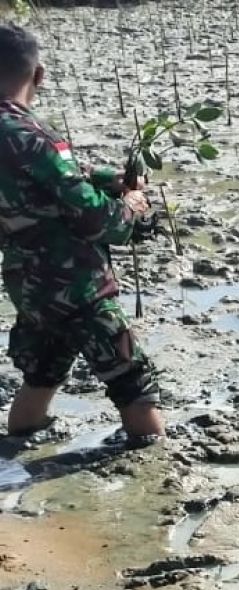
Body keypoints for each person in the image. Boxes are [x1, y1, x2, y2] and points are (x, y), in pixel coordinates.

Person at [0, 23, 164, 440]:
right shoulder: (31, 136)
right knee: (134, 385)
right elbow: (93, 217)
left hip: (26, 281)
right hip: (75, 283)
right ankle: (154, 477)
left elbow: (55, 179)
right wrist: (130, 207)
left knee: (41, 377)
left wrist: (108, 178)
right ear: (38, 75)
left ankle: (21, 454)